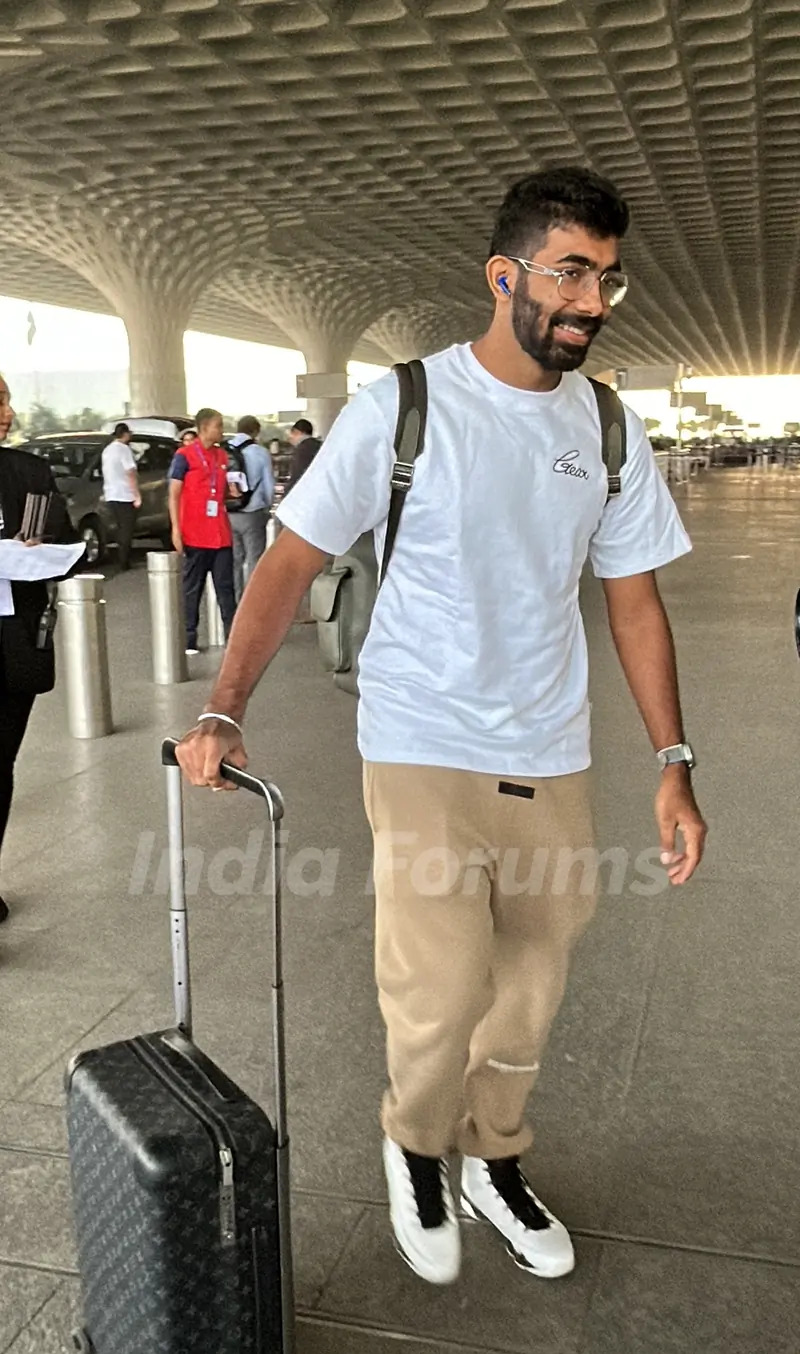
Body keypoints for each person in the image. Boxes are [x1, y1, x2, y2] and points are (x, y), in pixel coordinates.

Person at [174, 167, 707, 1288]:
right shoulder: (404, 407)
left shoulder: (607, 427)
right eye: (569, 272)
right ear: (503, 274)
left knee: (532, 978)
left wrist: (671, 761)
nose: (590, 300)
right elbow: (291, 557)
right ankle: (414, 1142)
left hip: (549, 748)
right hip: (419, 738)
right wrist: (223, 705)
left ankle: (490, 1157)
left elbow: (632, 601)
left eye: (607, 278)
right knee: (439, 977)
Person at [0, 373, 77, 923]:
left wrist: (41, 551)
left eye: (4, 398)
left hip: (13, 642)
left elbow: (70, 544)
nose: (6, 410)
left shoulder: (27, 472)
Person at [168, 407, 237, 655]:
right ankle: (189, 638)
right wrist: (176, 529)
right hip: (194, 532)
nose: (221, 430)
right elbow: (174, 493)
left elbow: (220, 490)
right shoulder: (184, 456)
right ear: (205, 427)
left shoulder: (222, 457)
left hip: (219, 532)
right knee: (192, 587)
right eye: (218, 425)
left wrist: (233, 492)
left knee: (226, 586)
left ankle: (233, 635)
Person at [226, 416, 274, 602]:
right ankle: (252, 602)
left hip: (229, 511)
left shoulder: (224, 450)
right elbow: (269, 486)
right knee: (254, 558)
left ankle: (235, 601)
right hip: (252, 512)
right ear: (255, 431)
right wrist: (268, 507)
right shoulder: (260, 452)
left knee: (235, 559)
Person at [101, 422, 141, 572]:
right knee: (127, 528)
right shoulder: (124, 450)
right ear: (125, 434)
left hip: (111, 493)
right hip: (125, 494)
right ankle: (124, 561)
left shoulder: (107, 450)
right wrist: (136, 494)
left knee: (118, 527)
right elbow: (130, 472)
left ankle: (120, 557)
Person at [285, 418, 321, 493]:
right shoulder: (321, 445)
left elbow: (297, 475)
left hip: (306, 492)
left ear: (296, 432)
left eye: (291, 436)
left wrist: (287, 495)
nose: (290, 440)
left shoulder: (302, 449)